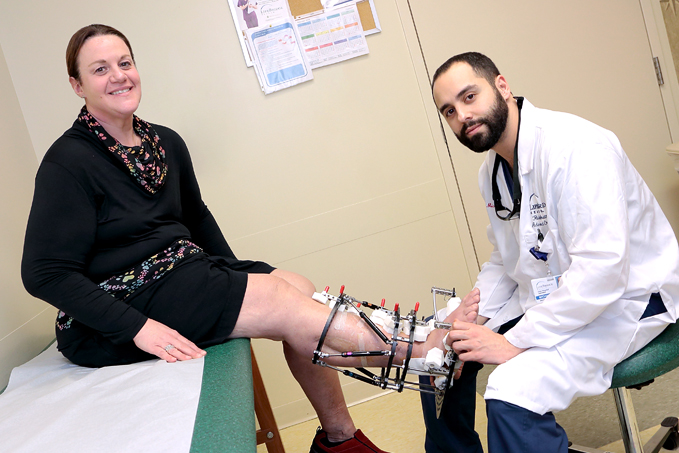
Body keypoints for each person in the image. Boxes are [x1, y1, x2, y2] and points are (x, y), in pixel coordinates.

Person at [20, 24, 473, 453]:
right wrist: (140, 329)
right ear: (77, 85)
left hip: (179, 273)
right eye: (100, 69)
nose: (119, 76)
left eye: (125, 62)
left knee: (293, 285)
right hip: (114, 311)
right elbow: (44, 273)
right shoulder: (69, 161)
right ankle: (420, 349)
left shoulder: (165, 143)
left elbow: (196, 217)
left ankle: (339, 439)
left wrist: (237, 280)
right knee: (278, 299)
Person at [419, 51, 679, 453]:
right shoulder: (492, 171)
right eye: (449, 111)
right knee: (439, 352)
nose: (462, 116)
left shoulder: (577, 147)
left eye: (470, 97)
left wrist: (516, 340)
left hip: (631, 298)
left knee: (510, 392)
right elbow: (506, 259)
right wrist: (473, 314)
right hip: (560, 297)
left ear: (502, 87)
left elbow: (603, 271)